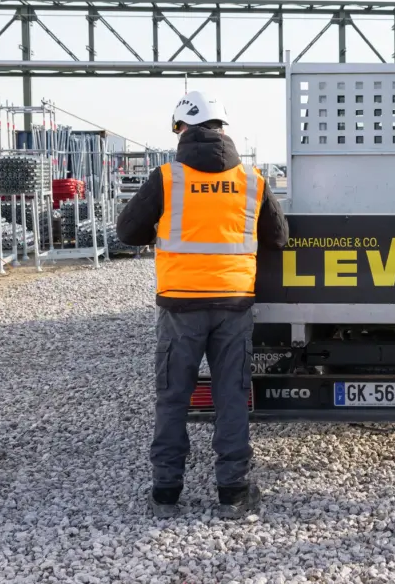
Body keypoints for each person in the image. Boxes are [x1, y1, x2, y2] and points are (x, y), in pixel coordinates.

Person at [116, 90, 288, 519]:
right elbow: (279, 238)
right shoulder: (253, 180)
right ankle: (233, 492)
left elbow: (127, 232)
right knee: (232, 397)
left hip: (180, 308)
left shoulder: (166, 178)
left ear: (181, 130)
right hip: (234, 305)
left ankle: (166, 493)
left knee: (174, 398)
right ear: (223, 129)